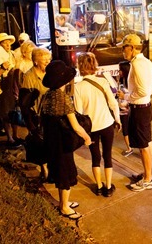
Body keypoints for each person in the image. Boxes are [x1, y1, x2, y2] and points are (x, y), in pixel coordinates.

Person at [41, 60, 91, 220]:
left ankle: (65, 202)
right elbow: (75, 126)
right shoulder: (63, 98)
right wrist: (86, 137)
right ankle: (64, 207)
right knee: (66, 174)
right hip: (62, 142)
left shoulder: (47, 95)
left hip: (51, 140)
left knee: (58, 169)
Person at [74, 52, 121, 197]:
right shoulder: (103, 82)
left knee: (95, 156)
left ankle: (99, 186)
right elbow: (113, 104)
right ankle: (108, 186)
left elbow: (79, 111)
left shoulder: (78, 87)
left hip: (91, 128)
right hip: (107, 124)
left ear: (80, 66)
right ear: (94, 65)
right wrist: (118, 120)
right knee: (107, 155)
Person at [116, 34, 152, 192]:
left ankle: (147, 180)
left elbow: (144, 90)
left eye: (123, 48)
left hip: (140, 109)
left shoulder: (138, 64)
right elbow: (150, 89)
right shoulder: (146, 61)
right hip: (146, 107)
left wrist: (126, 96)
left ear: (131, 48)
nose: (122, 51)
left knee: (143, 146)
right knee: (148, 142)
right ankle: (148, 174)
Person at [19, 47, 51, 180]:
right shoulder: (28, 77)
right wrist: (30, 124)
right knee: (41, 144)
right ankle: (44, 169)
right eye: (45, 61)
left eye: (49, 60)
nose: (48, 63)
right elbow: (24, 104)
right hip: (37, 116)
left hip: (50, 115)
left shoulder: (50, 73)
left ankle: (50, 166)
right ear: (36, 62)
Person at [0, 33, 21, 148]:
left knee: (15, 111)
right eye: (4, 43)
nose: (8, 45)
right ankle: (9, 137)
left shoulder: (13, 54)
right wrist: (2, 69)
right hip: (2, 89)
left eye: (9, 43)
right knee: (6, 112)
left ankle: (16, 135)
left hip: (13, 86)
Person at [118, 61, 133, 157]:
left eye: (120, 70)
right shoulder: (122, 80)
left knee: (126, 131)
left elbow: (129, 98)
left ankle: (129, 148)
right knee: (127, 130)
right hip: (124, 111)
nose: (118, 72)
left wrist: (122, 99)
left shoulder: (129, 83)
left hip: (126, 112)